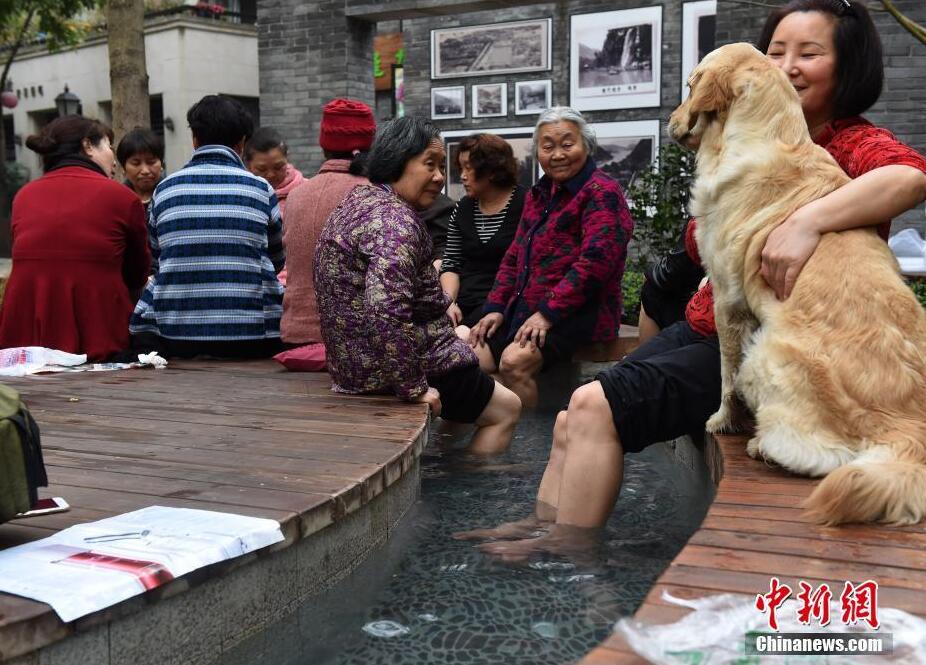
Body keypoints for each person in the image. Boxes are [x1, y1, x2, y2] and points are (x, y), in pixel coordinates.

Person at [458, 0, 926, 559]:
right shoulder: (746, 144)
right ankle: (543, 526)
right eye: (775, 52)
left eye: (810, 53)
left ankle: (569, 553)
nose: (786, 66)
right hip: (710, 327)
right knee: (575, 408)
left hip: (770, 341)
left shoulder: (848, 143)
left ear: (849, 66)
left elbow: (908, 176)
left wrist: (806, 220)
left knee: (591, 408)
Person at [313, 116, 522, 455]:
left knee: (465, 347)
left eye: (442, 166)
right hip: (393, 369)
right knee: (507, 409)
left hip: (353, 365)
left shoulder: (359, 201)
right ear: (397, 159)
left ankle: (442, 456)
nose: (440, 177)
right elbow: (386, 309)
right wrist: (413, 387)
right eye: (430, 165)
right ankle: (465, 487)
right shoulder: (396, 222)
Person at [467, 107, 634, 407]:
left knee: (514, 362)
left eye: (567, 144)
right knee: (471, 355)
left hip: (580, 312)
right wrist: (494, 307)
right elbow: (514, 256)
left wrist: (547, 313)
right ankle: (494, 430)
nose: (558, 154)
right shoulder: (538, 194)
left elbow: (596, 264)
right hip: (526, 307)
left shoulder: (601, 192)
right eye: (548, 146)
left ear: (586, 145)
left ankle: (525, 445)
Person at [129, 95, 285, 359]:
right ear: (241, 143)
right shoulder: (261, 190)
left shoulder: (164, 191)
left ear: (195, 140)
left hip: (176, 337)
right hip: (252, 337)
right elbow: (277, 260)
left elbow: (157, 260)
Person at [0, 116, 150, 360]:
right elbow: (137, 274)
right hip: (99, 338)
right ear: (88, 146)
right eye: (108, 146)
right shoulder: (122, 197)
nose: (113, 157)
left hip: (24, 341)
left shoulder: (23, 196)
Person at [281, 98, 375, 346]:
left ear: (324, 146)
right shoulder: (375, 194)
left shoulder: (295, 196)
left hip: (295, 336)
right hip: (353, 342)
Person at [440, 133, 526, 331]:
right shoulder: (462, 208)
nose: (462, 175)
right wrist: (449, 303)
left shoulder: (526, 204)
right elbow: (451, 263)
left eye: (469, 168)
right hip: (463, 302)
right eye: (460, 168)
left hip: (505, 304)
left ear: (493, 170)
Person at [243, 127, 305, 216]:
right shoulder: (242, 195)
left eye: (278, 167)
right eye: (262, 169)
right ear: (248, 165)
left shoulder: (306, 190)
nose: (271, 175)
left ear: (287, 159)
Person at [116, 127, 164, 220]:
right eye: (136, 163)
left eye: (151, 162)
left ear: (161, 164)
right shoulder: (116, 200)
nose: (145, 171)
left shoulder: (171, 195)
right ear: (123, 168)